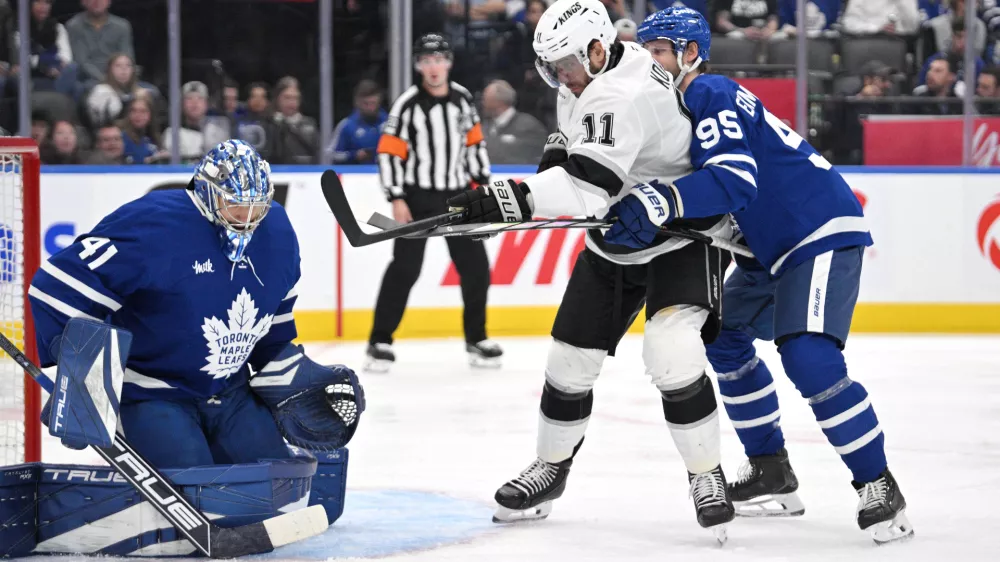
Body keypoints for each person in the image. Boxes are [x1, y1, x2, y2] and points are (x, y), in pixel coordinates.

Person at [445, 0, 735, 541]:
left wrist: (510, 199)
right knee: (567, 362)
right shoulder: (584, 77)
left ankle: (706, 473)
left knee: (672, 355)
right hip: (620, 237)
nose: (559, 78)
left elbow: (585, 190)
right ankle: (550, 469)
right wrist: (540, 176)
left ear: (598, 49)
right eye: (551, 68)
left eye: (566, 67)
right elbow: (576, 158)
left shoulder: (618, 91)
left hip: (680, 233)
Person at [634, 7, 913, 544]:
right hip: (768, 251)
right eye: (644, 51)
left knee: (808, 355)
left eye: (660, 51)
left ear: (690, 53)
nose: (650, 61)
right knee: (724, 336)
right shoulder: (677, 110)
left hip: (815, 229)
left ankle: (879, 485)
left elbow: (731, 178)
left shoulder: (707, 92)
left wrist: (658, 201)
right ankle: (771, 470)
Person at [28, 140, 364, 469]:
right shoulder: (154, 225)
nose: (247, 218)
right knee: (193, 486)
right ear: (206, 194)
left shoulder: (276, 230)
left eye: (257, 207)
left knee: (275, 480)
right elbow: (56, 287)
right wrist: (81, 378)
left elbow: (273, 323)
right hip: (150, 391)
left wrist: (292, 370)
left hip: (230, 390)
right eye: (235, 206)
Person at [366, 33, 500, 373]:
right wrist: (396, 196)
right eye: (426, 61)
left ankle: (477, 338)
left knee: (475, 268)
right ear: (417, 66)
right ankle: (379, 341)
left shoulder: (463, 100)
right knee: (406, 269)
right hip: (417, 197)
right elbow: (388, 153)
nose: (434, 67)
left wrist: (482, 185)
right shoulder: (407, 104)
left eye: (439, 60)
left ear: (449, 63)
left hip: (458, 197)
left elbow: (474, 144)